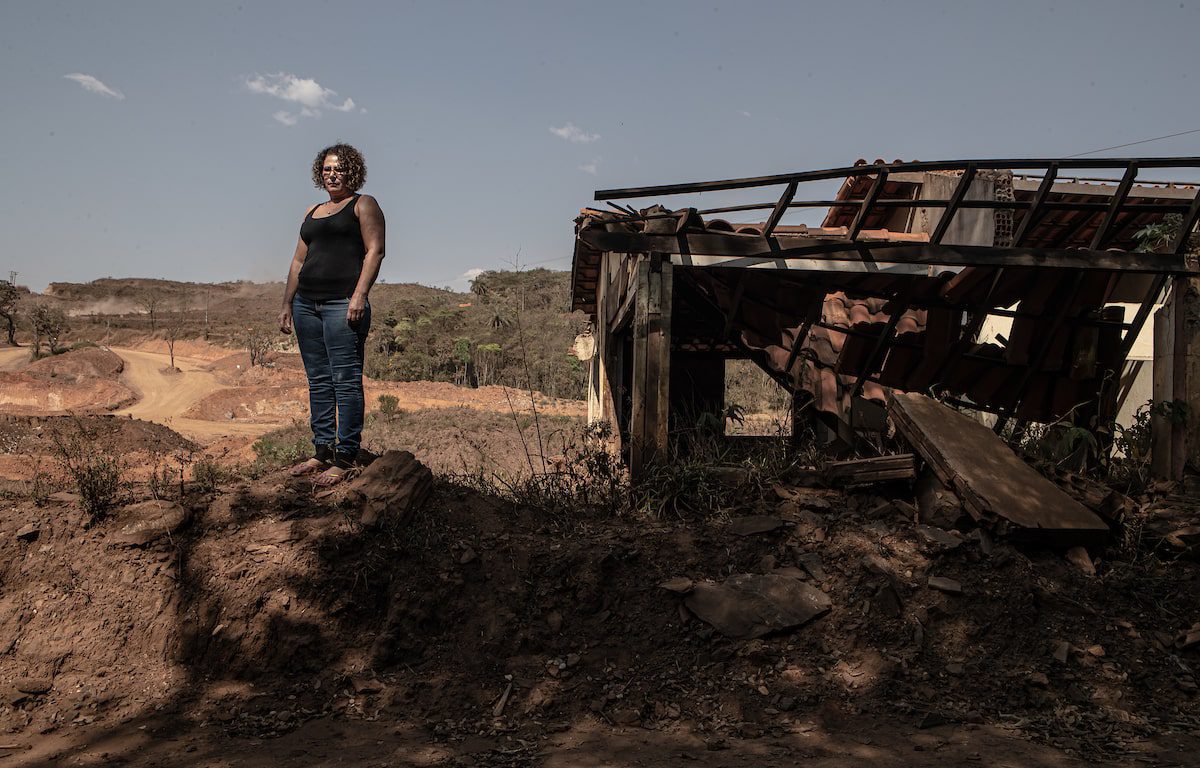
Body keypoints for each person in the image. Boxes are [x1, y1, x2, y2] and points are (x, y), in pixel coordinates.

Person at [278, 143, 385, 485]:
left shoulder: (363, 204)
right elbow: (298, 260)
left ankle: (345, 456)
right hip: (306, 305)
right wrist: (286, 304)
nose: (332, 174)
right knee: (319, 381)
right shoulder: (313, 211)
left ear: (352, 171)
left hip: (343, 304)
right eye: (326, 169)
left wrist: (359, 295)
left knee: (345, 381)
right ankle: (321, 452)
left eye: (338, 168)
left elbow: (375, 251)